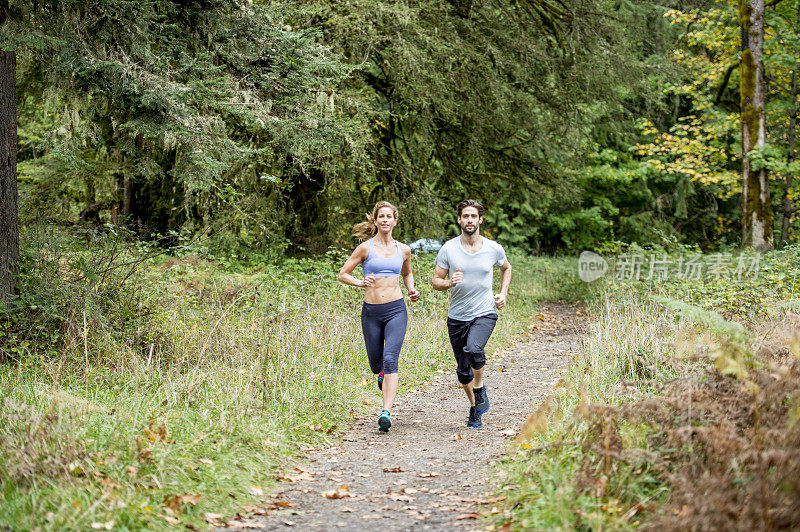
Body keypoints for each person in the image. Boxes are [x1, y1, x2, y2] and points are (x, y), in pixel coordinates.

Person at [338, 201, 420, 432]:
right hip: (371, 312)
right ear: (375, 221)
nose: (385, 220)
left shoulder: (404, 249)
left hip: (396, 310)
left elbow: (408, 272)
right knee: (377, 365)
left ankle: (386, 412)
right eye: (381, 216)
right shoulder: (365, 248)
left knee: (390, 359)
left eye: (389, 216)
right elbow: (343, 274)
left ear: (395, 221)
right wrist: (359, 281)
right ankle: (381, 376)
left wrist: (411, 289)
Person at [431, 199, 512, 428]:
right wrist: (448, 283)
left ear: (480, 220)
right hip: (457, 316)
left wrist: (503, 293)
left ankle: (479, 388)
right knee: (462, 372)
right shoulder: (448, 248)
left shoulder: (493, 248)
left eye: (473, 216)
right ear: (459, 219)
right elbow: (435, 282)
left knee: (474, 348)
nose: (469, 220)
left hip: (484, 311)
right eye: (465, 216)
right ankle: (475, 406)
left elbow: (506, 268)